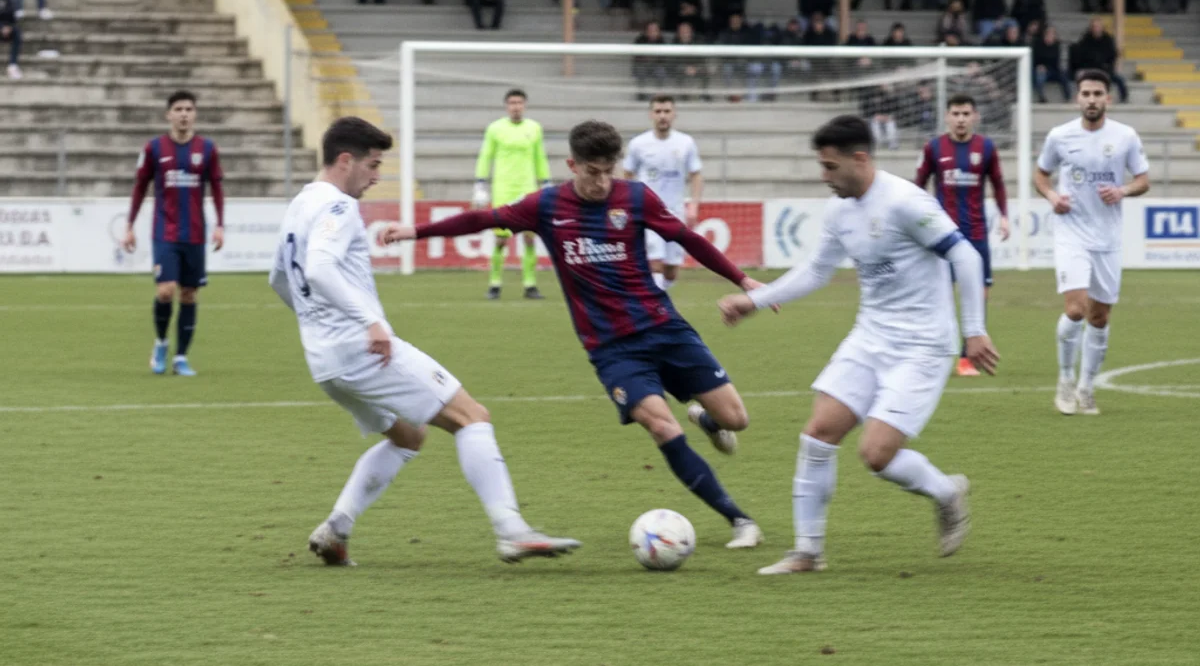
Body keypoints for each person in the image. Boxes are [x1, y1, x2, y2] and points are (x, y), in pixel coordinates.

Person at [381, 119, 767, 549]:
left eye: (608, 171)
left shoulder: (635, 197)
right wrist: (416, 231)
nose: (601, 182)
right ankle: (739, 520)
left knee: (737, 420)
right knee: (661, 426)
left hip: (665, 328)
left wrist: (742, 280)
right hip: (612, 349)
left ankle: (708, 420)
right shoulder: (547, 206)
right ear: (572, 165)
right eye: (592, 172)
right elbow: (482, 219)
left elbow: (688, 239)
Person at [270, 117, 580, 567]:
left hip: (323, 360)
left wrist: (317, 324)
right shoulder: (338, 206)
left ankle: (336, 529)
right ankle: (512, 531)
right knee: (472, 417)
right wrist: (369, 322)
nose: (376, 176)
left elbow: (279, 279)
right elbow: (318, 269)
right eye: (373, 165)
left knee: (409, 436)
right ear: (345, 160)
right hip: (362, 349)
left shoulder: (299, 205)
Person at [717, 115, 997, 574]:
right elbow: (816, 271)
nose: (823, 176)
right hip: (870, 337)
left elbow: (964, 254)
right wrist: (754, 301)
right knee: (818, 433)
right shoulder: (839, 212)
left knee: (876, 455)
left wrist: (975, 329)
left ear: (860, 159)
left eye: (830, 167)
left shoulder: (905, 202)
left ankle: (947, 492)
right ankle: (808, 553)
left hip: (922, 346)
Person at [1035, 69, 1150, 416]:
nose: (1091, 99)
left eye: (1098, 94)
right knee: (1075, 309)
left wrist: (1122, 190)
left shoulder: (1125, 136)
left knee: (1099, 318)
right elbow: (1041, 175)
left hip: (1108, 238)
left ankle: (1086, 387)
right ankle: (1065, 380)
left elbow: (1143, 180)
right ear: (1077, 98)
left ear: (1108, 99)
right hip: (1071, 232)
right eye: (1086, 93)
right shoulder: (1060, 136)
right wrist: (1052, 196)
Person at [124, 90, 225, 377]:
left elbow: (217, 188)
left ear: (195, 114)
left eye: (189, 109)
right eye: (178, 109)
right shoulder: (154, 148)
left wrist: (220, 225)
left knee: (189, 294)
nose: (184, 114)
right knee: (166, 291)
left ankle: (181, 357)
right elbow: (140, 187)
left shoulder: (207, 149)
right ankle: (161, 343)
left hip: (195, 233)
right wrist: (129, 226)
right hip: (164, 231)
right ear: (169, 114)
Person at [915, 93, 1010, 376]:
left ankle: (967, 358)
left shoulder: (986, 148)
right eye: (955, 114)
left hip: (976, 233)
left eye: (966, 114)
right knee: (939, 296)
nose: (960, 119)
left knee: (979, 294)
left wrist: (1004, 216)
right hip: (942, 235)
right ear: (947, 117)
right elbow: (918, 185)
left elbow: (998, 184)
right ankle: (935, 353)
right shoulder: (934, 148)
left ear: (975, 117)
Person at [473, 88, 551, 300]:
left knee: (529, 238)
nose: (516, 107)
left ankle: (530, 284)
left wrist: (546, 182)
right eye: (512, 103)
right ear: (507, 106)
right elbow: (486, 156)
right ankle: (495, 284)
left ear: (524, 105)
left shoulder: (534, 128)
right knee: (501, 239)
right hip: (503, 189)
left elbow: (540, 157)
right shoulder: (495, 129)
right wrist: (480, 183)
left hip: (527, 189)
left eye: (519, 103)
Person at [622, 95, 703, 291]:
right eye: (658, 111)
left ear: (674, 114)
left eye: (667, 111)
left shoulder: (686, 142)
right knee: (654, 262)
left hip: (675, 212)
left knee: (671, 269)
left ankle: (659, 295)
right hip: (647, 211)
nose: (662, 116)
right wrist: (629, 202)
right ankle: (656, 304)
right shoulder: (638, 144)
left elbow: (696, 174)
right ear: (651, 115)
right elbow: (627, 173)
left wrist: (694, 205)